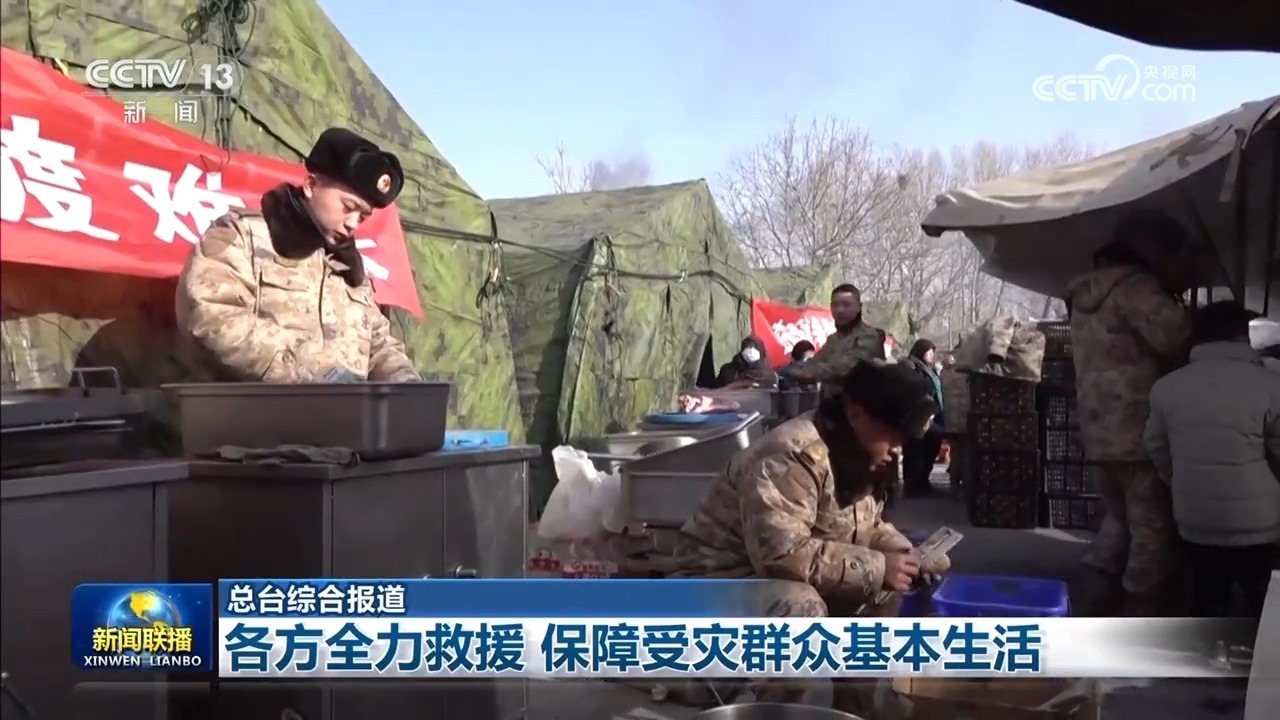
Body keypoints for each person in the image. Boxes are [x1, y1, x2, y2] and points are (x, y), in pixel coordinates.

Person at [670, 361, 950, 708]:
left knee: (886, 587)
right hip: (714, 587)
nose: (897, 449)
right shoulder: (791, 455)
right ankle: (778, 713)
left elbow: (867, 526)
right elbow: (781, 555)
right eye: (892, 434)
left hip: (770, 582)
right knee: (800, 605)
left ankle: (854, 709)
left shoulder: (856, 452)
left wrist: (905, 555)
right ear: (857, 413)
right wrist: (879, 567)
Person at [175, 128, 419, 383]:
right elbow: (211, 317)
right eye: (348, 207)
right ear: (311, 186)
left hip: (345, 409)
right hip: (253, 408)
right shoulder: (242, 235)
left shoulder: (348, 266)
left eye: (363, 217)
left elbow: (377, 344)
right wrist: (314, 370)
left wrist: (407, 386)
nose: (352, 223)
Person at [1067, 208, 1195, 615]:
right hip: (1139, 430)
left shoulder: (1086, 293)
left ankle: (1091, 593)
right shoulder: (1137, 289)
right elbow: (1176, 338)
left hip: (1098, 427)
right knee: (1151, 529)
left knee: (1118, 518)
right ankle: (1140, 609)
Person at [1144, 301, 1280, 618]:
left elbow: (1155, 445)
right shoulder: (1271, 386)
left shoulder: (1167, 387)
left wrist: (1180, 479)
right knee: (1259, 599)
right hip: (1258, 522)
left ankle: (1208, 642)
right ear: (1242, 336)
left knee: (1207, 594)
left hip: (1195, 519)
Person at [786, 283, 887, 400]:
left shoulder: (870, 337)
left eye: (846, 304)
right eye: (835, 305)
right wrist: (795, 370)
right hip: (831, 405)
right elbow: (816, 361)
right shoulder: (833, 339)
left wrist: (807, 373)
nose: (839, 310)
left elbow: (847, 368)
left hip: (860, 406)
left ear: (859, 307)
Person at [902, 339, 946, 497]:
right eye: (929, 352)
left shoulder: (931, 369)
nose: (932, 355)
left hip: (933, 414)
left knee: (930, 448)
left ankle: (923, 481)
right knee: (915, 450)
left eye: (933, 352)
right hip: (917, 414)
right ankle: (913, 485)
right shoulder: (910, 366)